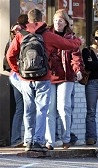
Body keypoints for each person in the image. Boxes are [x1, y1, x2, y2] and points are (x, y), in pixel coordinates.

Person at [6, 8, 81, 152]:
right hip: (44, 78)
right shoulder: (47, 34)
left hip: (25, 79)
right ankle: (38, 141)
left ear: (28, 20)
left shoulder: (20, 35)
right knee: (42, 110)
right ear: (42, 19)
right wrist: (78, 40)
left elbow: (10, 55)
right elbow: (68, 45)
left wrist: (18, 70)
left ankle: (28, 140)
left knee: (28, 110)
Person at [45, 9, 84, 150]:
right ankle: (50, 141)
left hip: (66, 77)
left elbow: (76, 57)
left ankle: (66, 139)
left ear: (66, 22)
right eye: (55, 20)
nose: (57, 23)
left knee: (64, 108)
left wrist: (78, 70)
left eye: (60, 21)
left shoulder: (71, 38)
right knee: (50, 109)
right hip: (49, 77)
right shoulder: (48, 35)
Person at [3, 14, 28, 147]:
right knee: (25, 107)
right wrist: (18, 69)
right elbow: (7, 61)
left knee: (21, 107)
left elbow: (6, 63)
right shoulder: (20, 39)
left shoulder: (12, 40)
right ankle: (18, 138)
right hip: (19, 76)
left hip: (15, 75)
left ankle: (17, 138)